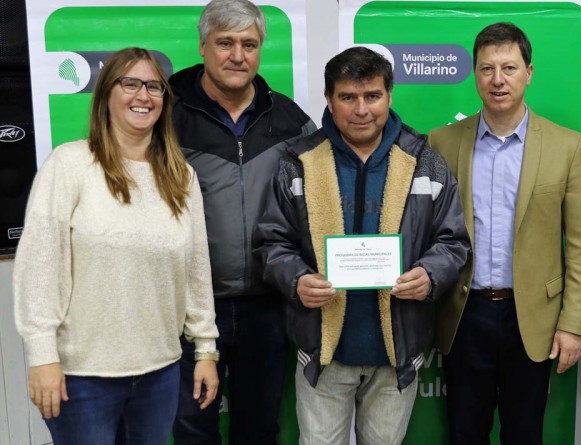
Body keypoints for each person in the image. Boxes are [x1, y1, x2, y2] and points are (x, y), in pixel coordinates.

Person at [256, 46, 470, 445]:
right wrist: (297, 280)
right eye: (348, 97)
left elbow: (453, 240)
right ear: (329, 99)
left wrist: (429, 275)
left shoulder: (425, 161)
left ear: (389, 96)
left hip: (397, 352)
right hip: (323, 353)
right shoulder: (299, 162)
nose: (361, 110)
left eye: (372, 96)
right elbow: (272, 242)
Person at [13, 47, 219, 444]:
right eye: (130, 83)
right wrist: (42, 355)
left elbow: (196, 269)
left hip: (160, 372)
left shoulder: (181, 176)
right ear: (107, 94)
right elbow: (40, 265)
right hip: (82, 377)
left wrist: (206, 349)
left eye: (154, 87)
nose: (143, 95)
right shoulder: (69, 165)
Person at [429, 22, 581, 445]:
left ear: (529, 73)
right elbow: (427, 231)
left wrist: (574, 325)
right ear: (475, 74)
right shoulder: (442, 142)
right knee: (465, 432)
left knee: (524, 434)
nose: (497, 80)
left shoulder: (567, 147)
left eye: (509, 68)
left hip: (534, 318)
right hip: (464, 314)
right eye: (487, 69)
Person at [168, 1, 316, 443]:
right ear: (202, 46)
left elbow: (320, 203)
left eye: (249, 45)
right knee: (192, 430)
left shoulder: (290, 120)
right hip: (190, 308)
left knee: (258, 428)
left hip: (267, 307)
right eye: (225, 43)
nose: (238, 55)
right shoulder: (166, 116)